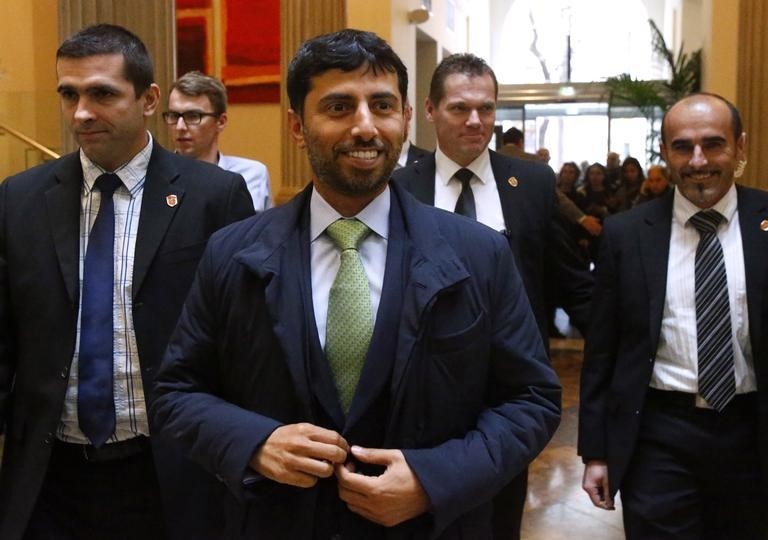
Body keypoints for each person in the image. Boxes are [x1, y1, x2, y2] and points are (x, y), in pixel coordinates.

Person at [150, 29, 561, 540]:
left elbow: (531, 399)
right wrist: (256, 442)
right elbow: (177, 391)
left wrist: (435, 479)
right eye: (339, 107)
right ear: (297, 126)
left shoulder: (479, 254)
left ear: (407, 119)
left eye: (382, 105)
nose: (365, 127)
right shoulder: (232, 254)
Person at [0, 24, 254, 540]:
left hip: (171, 476)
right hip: (50, 480)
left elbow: (243, 344)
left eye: (102, 94)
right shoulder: (20, 200)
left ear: (148, 98)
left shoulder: (215, 197)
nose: (81, 113)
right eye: (69, 94)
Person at [578, 93, 768, 539]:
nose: (699, 160)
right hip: (658, 432)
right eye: (683, 147)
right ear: (664, 153)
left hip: (751, 436)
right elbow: (603, 350)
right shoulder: (626, 235)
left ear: (741, 146)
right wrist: (596, 451)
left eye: (713, 144)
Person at [392, 52, 592, 540]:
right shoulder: (397, 187)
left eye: (486, 108)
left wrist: (627, 334)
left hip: (507, 392)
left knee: (499, 518)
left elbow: (565, 276)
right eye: (460, 108)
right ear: (430, 110)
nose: (476, 121)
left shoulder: (531, 185)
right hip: (419, 385)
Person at [165, 71, 271, 210]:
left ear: (220, 122)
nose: (180, 127)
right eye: (173, 116)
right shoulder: (156, 176)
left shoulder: (251, 175)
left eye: (193, 116)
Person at [499, 127, 602, 237]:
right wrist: (581, 218)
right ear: (520, 142)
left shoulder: (489, 159)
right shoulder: (531, 160)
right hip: (526, 223)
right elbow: (553, 193)